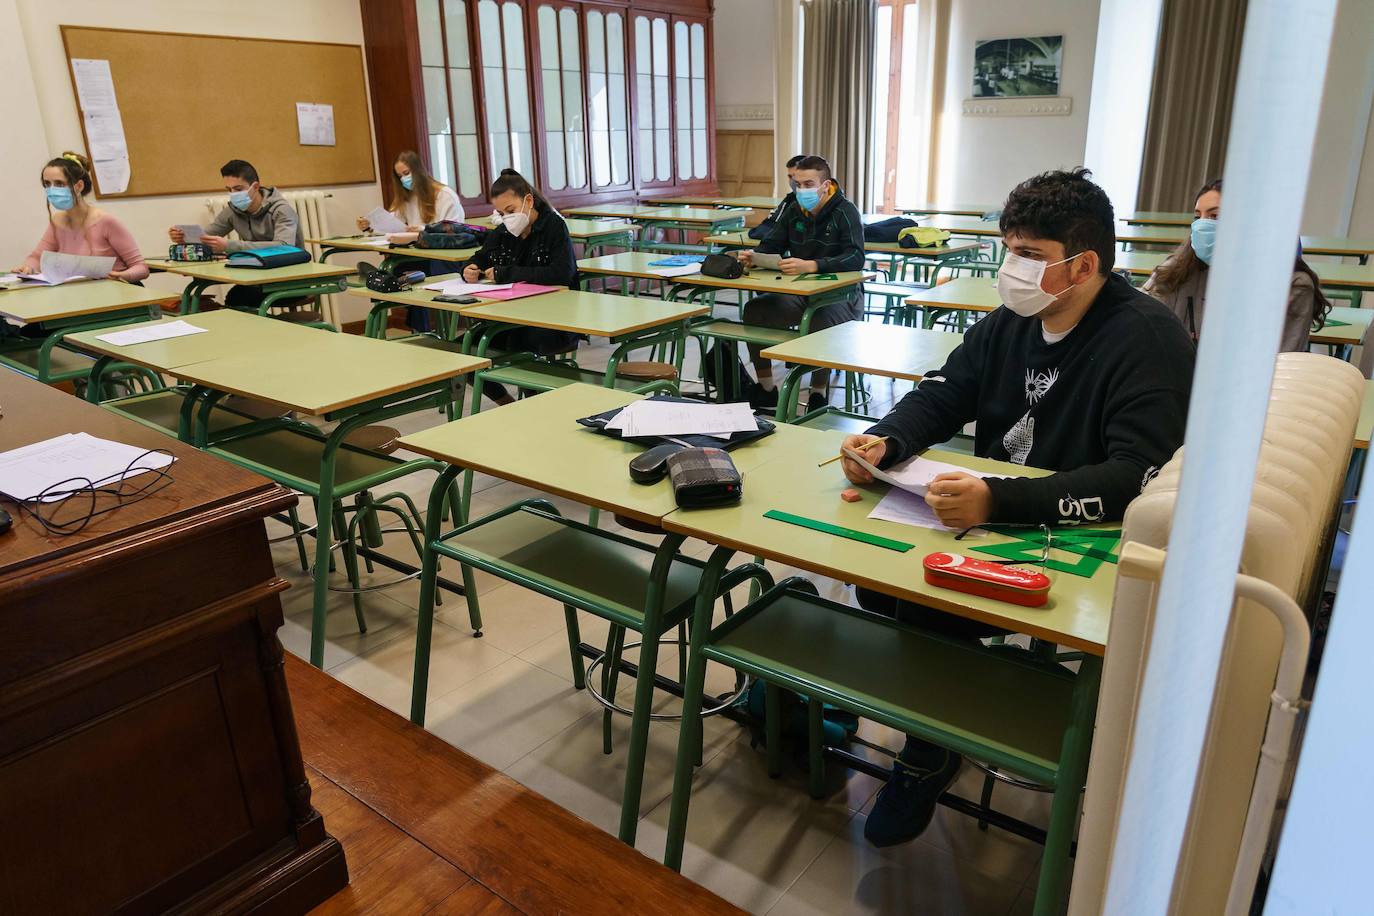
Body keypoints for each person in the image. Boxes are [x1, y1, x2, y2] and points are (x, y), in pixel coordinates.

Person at [839, 168, 1195, 849]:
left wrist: (998, 500)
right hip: (998, 516)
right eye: (1010, 249)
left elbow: (1134, 477)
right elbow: (946, 390)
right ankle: (940, 702)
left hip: (1083, 539)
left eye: (1029, 255)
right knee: (874, 580)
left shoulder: (1146, 340)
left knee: (921, 599)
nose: (1011, 268)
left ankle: (928, 748)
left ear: (1083, 264)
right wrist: (890, 440)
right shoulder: (1012, 322)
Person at [737, 154, 865, 413]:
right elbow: (772, 243)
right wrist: (756, 257)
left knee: (819, 319)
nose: (801, 190)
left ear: (826, 185)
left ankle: (817, 393)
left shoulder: (845, 211)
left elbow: (856, 256)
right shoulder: (794, 209)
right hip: (799, 292)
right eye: (797, 184)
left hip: (842, 297)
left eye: (808, 184)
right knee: (755, 311)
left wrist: (814, 265)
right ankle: (766, 389)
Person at [1143, 177, 1330, 351]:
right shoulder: (1177, 270)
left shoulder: (1292, 286)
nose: (1202, 226)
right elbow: (1141, 321)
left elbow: (1280, 363)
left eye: (1215, 216)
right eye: (1198, 217)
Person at [461, 169, 577, 406]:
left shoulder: (554, 226)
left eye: (511, 211)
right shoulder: (505, 231)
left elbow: (562, 273)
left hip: (552, 319)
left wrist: (507, 274)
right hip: (510, 317)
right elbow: (481, 256)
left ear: (528, 200)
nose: (507, 217)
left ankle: (533, 407)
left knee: (520, 346)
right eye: (501, 213)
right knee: (463, 350)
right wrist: (470, 268)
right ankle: (509, 404)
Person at [168, 159, 304, 311]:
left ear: (255, 186)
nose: (233, 194)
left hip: (291, 277)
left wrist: (228, 246)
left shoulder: (282, 210)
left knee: (238, 298)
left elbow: (284, 246)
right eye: (229, 189)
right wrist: (183, 238)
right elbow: (205, 236)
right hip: (258, 276)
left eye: (238, 189)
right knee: (235, 297)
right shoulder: (233, 211)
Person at [17, 152, 148, 282]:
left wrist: (123, 275)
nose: (52, 189)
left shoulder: (106, 221)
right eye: (47, 184)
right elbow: (36, 257)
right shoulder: (57, 221)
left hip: (114, 293)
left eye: (59, 184)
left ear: (79, 186)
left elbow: (141, 268)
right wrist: (28, 268)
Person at [356, 150, 465, 232]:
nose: (403, 179)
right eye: (399, 176)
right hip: (417, 250)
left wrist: (423, 230)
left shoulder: (445, 195)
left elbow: (455, 229)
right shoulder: (406, 197)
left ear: (419, 171)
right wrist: (369, 225)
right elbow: (391, 224)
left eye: (406, 173)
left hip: (442, 252)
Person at [748, 154, 806, 240]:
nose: (793, 181)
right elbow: (767, 225)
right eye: (790, 177)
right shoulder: (790, 199)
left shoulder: (821, 202)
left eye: (796, 176)